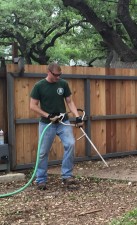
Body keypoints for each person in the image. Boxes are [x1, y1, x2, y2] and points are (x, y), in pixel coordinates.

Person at [29, 62, 83, 190]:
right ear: (49, 72)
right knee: (43, 152)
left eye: (60, 75)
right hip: (47, 124)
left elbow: (69, 101)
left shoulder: (63, 84)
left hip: (63, 122)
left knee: (70, 144)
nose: (58, 77)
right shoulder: (39, 86)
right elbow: (33, 106)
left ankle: (67, 176)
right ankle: (41, 179)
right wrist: (48, 115)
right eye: (56, 75)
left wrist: (77, 116)